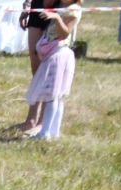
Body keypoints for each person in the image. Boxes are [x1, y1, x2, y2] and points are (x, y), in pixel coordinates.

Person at [23, 0, 80, 140]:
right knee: (56, 97)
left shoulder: (72, 9)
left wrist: (56, 17)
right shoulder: (66, 7)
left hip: (59, 55)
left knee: (52, 96)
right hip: (55, 54)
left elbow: (65, 34)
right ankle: (53, 132)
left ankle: (45, 132)